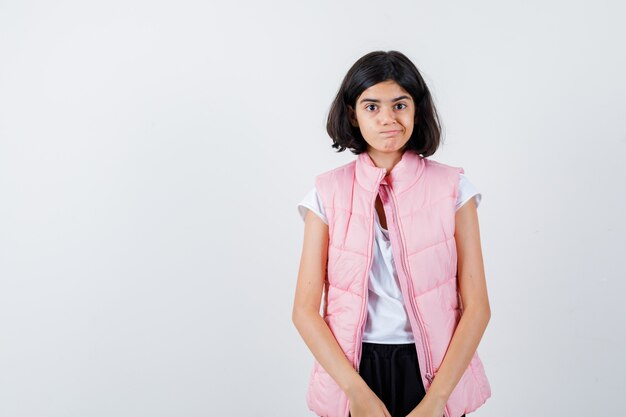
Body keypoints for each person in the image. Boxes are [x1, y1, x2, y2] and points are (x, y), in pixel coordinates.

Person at [292, 50, 492, 417]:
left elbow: (477, 306)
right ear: (352, 113)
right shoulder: (326, 194)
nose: (388, 119)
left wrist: (435, 401)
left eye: (400, 105)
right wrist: (356, 391)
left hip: (436, 370)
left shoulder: (454, 189)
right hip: (352, 369)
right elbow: (304, 311)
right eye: (372, 107)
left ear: (417, 109)